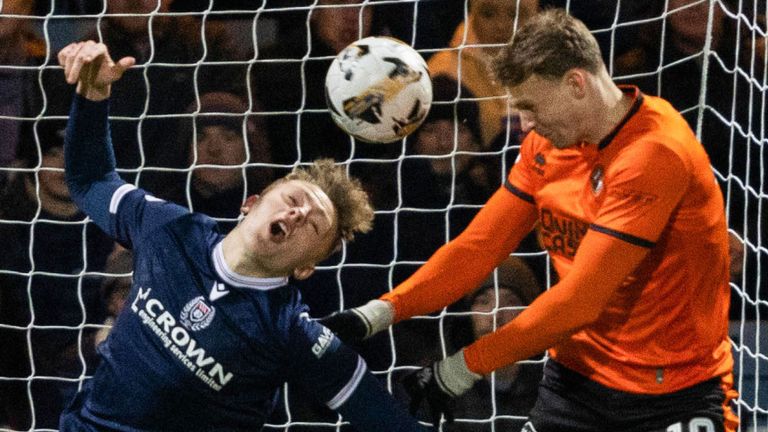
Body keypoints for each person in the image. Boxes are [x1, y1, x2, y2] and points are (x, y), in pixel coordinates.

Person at [320, 9, 739, 432]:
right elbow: (478, 247)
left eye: (530, 106)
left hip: (672, 393)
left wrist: (460, 369)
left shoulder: (653, 153)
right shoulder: (546, 144)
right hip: (577, 381)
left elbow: (579, 301)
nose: (525, 124)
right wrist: (381, 311)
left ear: (576, 83)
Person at [56, 40, 424, 432]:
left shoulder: (290, 333)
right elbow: (90, 179)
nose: (297, 214)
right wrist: (93, 96)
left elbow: (388, 422)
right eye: (293, 199)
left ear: (305, 268)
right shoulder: (171, 230)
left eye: (313, 225)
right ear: (250, 204)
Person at [0, 119, 115, 429]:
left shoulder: (109, 229)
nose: (64, 165)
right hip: (15, 388)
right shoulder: (7, 224)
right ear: (33, 160)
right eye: (53, 154)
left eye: (73, 154)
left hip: (87, 375)